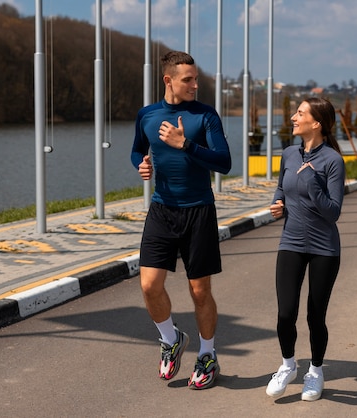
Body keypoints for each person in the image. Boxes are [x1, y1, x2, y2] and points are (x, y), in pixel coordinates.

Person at [130, 51, 231, 390]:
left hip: (199, 211)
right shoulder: (147, 115)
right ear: (168, 80)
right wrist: (141, 165)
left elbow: (224, 162)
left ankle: (207, 354)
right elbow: (137, 149)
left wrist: (185, 143)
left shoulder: (205, 116)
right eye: (187, 79)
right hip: (162, 210)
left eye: (195, 78)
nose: (194, 85)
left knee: (200, 292)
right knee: (149, 285)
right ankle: (171, 339)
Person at [265, 97, 345, 401]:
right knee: (285, 313)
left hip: (324, 247)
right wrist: (278, 204)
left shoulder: (332, 161)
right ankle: (288, 366)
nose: (293, 116)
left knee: (315, 316)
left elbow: (333, 212)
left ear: (317, 123)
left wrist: (312, 182)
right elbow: (281, 187)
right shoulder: (288, 154)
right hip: (291, 242)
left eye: (300, 113)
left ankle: (315, 371)